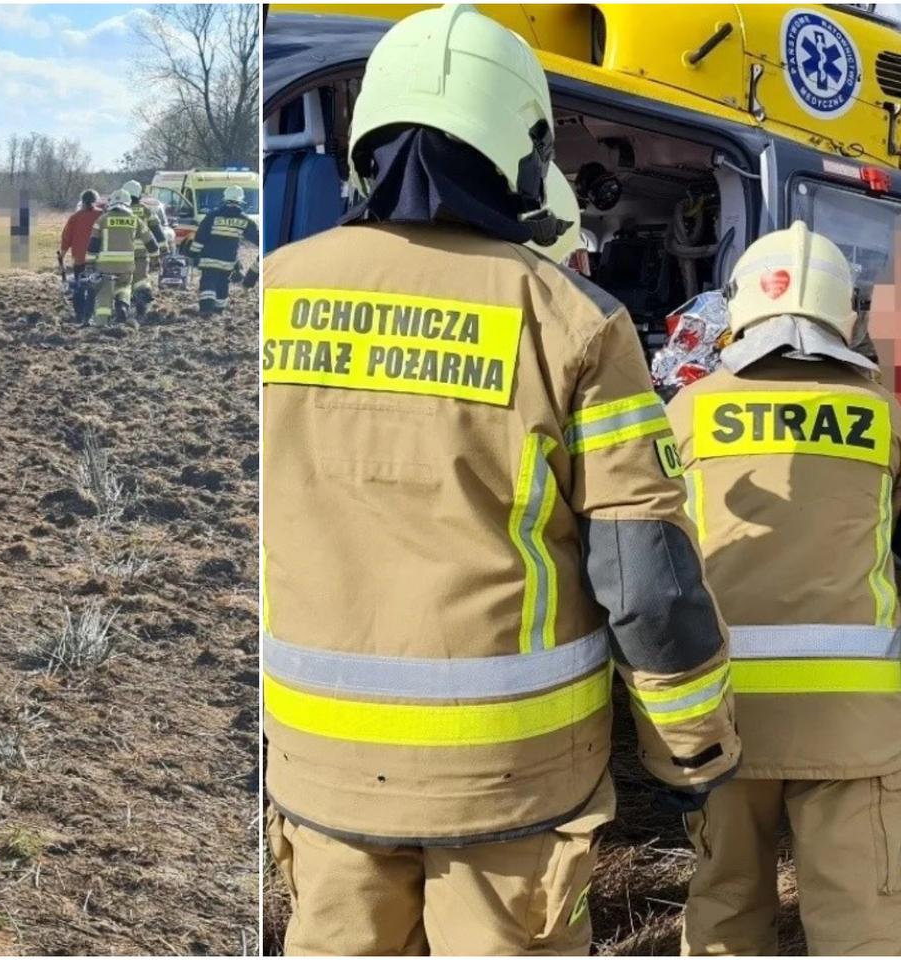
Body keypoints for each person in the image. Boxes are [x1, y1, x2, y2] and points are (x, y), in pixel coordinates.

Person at [262, 6, 740, 955]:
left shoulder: (270, 292)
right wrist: (693, 746)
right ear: (520, 148)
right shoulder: (573, 322)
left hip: (321, 769)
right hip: (509, 780)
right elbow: (646, 583)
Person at [669, 222, 901, 956]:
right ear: (847, 314)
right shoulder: (885, 414)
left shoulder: (688, 411)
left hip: (725, 716)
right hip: (856, 721)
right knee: (863, 921)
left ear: (739, 309)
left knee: (726, 912)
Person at [87, 188, 158, 327]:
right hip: (127, 266)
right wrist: (156, 258)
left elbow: (93, 245)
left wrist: (89, 264)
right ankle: (123, 308)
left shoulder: (102, 220)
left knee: (104, 294)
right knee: (124, 287)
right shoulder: (135, 220)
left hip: (105, 266)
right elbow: (151, 242)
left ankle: (101, 323)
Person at [188, 184, 258, 317]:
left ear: (225, 199)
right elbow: (258, 239)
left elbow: (200, 238)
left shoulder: (212, 216)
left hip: (209, 261)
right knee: (222, 285)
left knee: (208, 283)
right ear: (240, 201)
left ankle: (206, 310)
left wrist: (192, 254)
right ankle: (218, 311)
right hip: (228, 262)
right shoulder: (245, 220)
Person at [122, 179, 169, 318]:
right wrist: (163, 250)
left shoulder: (118, 211)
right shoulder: (146, 211)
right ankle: (141, 310)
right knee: (141, 281)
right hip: (141, 255)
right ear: (139, 194)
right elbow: (157, 232)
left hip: (121, 254)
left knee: (123, 282)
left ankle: (124, 308)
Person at [59, 188, 104, 323]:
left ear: (82, 201)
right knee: (94, 287)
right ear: (96, 201)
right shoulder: (102, 215)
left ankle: (79, 315)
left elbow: (66, 237)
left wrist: (62, 253)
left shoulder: (74, 217)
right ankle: (89, 315)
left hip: (79, 259)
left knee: (79, 287)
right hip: (97, 259)